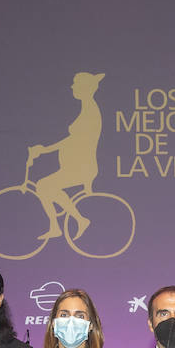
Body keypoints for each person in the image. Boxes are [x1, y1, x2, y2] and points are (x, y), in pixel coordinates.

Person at [28, 71, 106, 240]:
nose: (72, 87)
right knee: (48, 187)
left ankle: (67, 223)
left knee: (43, 186)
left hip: (81, 169)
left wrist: (44, 150)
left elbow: (73, 142)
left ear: (85, 88)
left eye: (76, 84)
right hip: (73, 167)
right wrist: (44, 149)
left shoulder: (90, 112)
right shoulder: (87, 109)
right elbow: (72, 140)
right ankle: (77, 220)